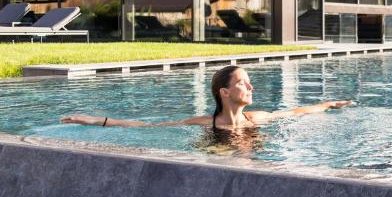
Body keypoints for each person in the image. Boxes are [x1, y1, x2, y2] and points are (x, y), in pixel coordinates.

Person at [60, 65, 353, 130]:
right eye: (242, 83)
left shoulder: (256, 118)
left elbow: (296, 113)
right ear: (225, 92)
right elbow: (150, 128)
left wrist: (327, 105)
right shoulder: (204, 123)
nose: (250, 88)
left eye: (250, 83)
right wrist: (97, 120)